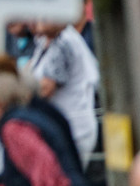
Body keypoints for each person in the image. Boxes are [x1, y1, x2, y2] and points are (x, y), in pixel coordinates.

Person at [27, 21, 99, 168]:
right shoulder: (44, 43)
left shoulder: (64, 41)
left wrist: (15, 95)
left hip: (73, 131)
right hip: (58, 129)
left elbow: (46, 88)